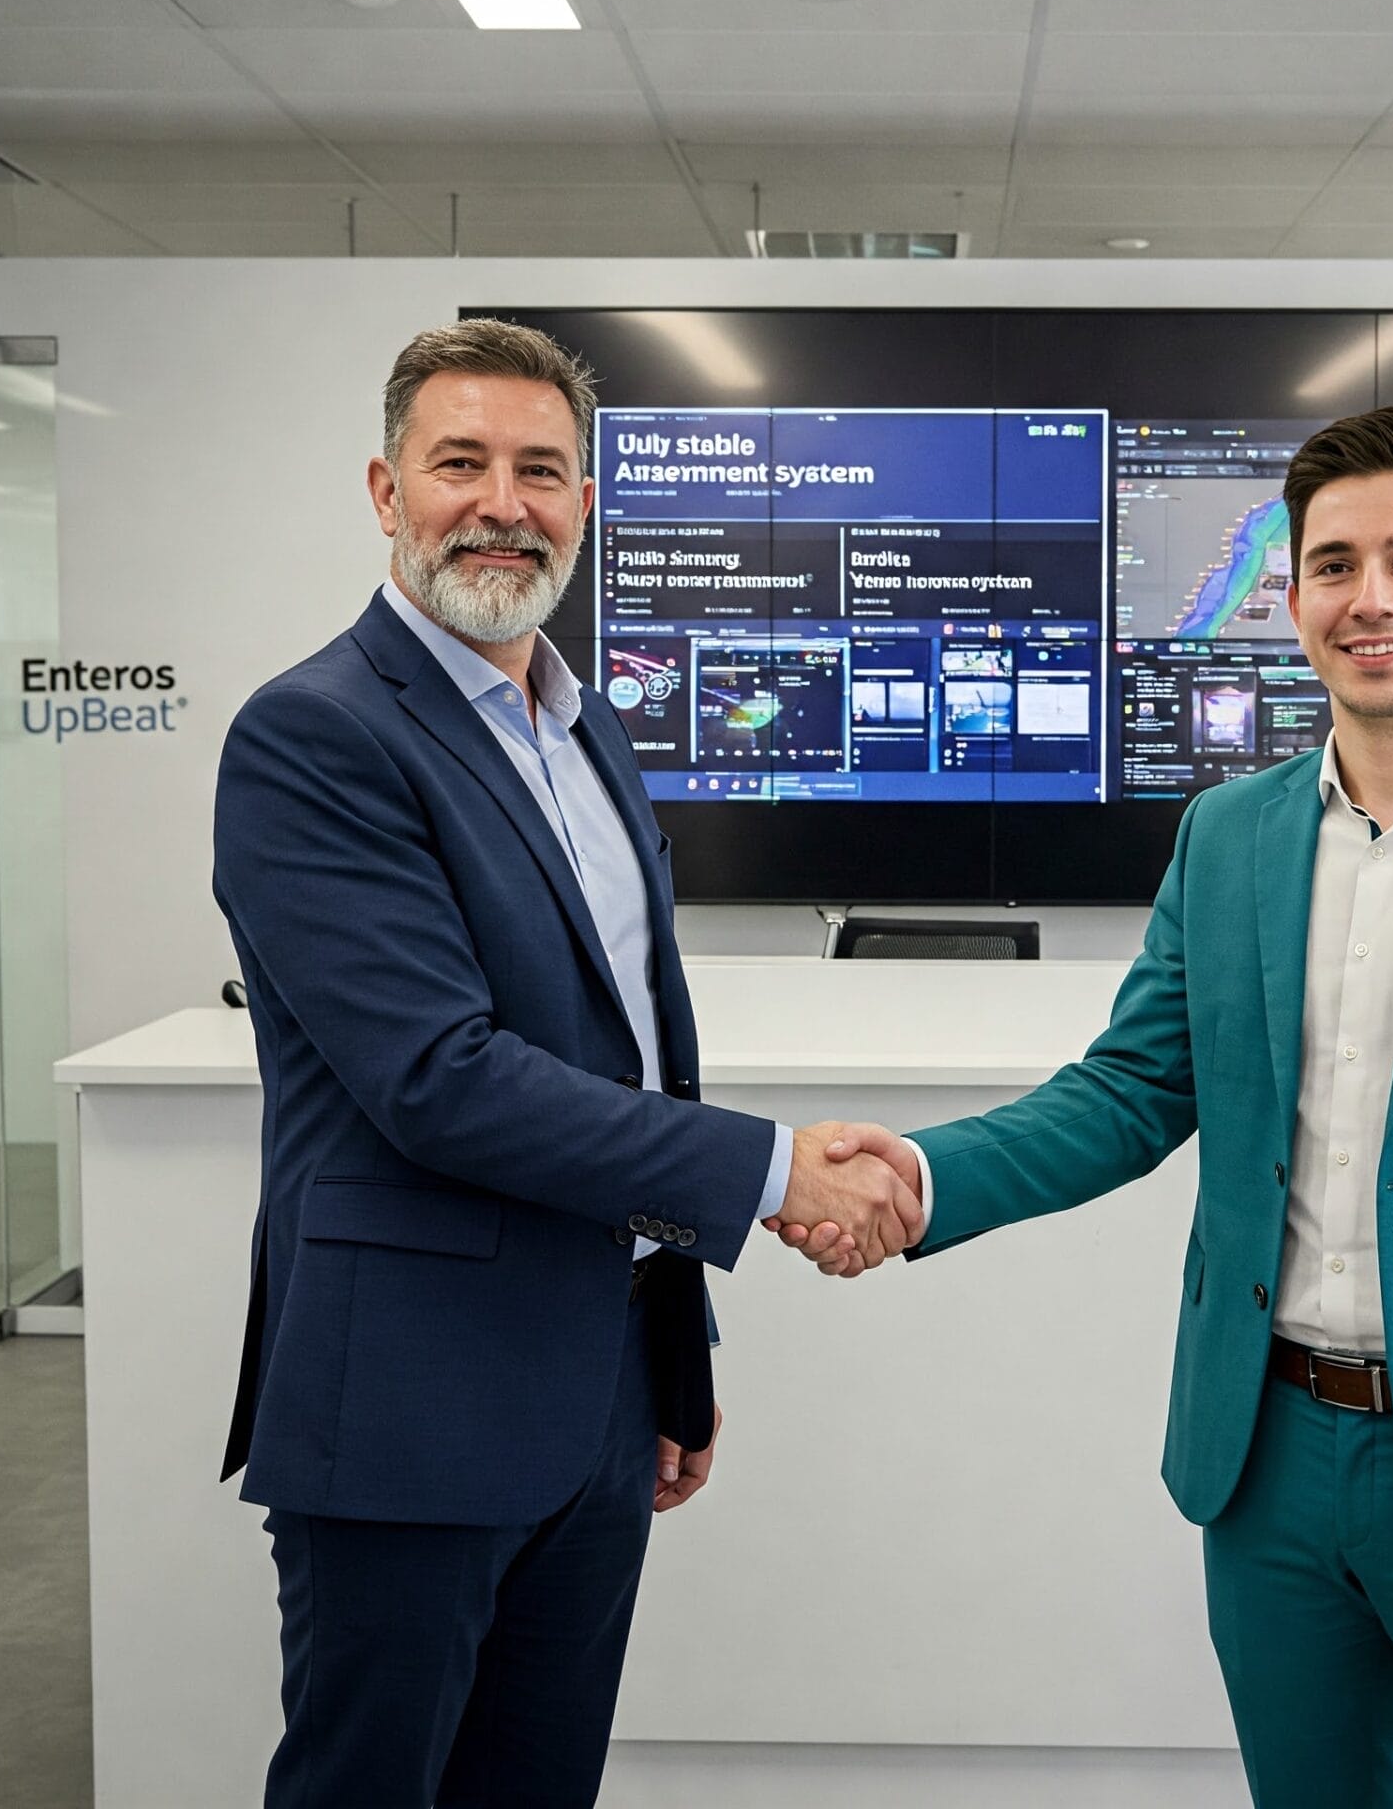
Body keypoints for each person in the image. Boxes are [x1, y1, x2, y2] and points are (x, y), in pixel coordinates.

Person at [779, 406, 1393, 1808]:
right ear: (1291, 604)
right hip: (1270, 1455)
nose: (1373, 598)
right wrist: (923, 1176)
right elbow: (1131, 1090)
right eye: (1334, 565)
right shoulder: (1227, 836)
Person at [213, 317, 920, 1809]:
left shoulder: (589, 733)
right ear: (384, 489)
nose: (504, 502)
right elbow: (441, 1077)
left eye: (543, 470)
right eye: (459, 462)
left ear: (587, 505)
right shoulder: (314, 735)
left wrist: (674, 1344)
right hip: (409, 1410)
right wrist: (780, 1170)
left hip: (595, 1400)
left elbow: (634, 1060)